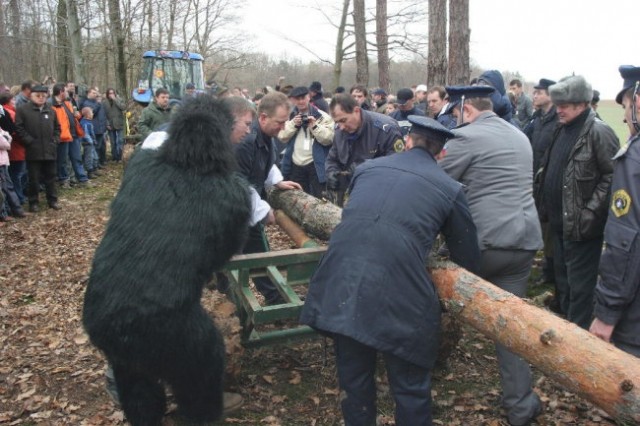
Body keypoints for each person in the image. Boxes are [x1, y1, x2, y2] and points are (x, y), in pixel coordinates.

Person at [300, 115, 480, 426]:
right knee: (409, 387)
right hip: (400, 294)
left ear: (408, 141)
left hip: (341, 281)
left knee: (354, 380)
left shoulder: (367, 169)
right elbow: (468, 256)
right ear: (442, 154)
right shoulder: (449, 188)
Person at [440, 85, 544, 426]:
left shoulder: (465, 138)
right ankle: (520, 405)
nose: (456, 119)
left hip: (483, 244)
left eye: (457, 114)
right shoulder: (519, 136)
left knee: (430, 294)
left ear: (466, 110)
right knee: (510, 327)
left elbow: (435, 182)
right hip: (524, 241)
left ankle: (419, 379)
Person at [537, 75, 619, 330]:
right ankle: (567, 334)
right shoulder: (563, 128)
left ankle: (580, 343)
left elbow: (613, 175)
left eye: (565, 105)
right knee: (565, 286)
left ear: (582, 104)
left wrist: (589, 213)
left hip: (582, 230)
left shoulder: (599, 131)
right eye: (558, 104)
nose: (559, 109)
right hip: (561, 225)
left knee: (581, 291)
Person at [589, 65, 640, 357]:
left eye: (627, 105)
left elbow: (625, 240)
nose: (624, 115)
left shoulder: (634, 158)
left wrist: (607, 313)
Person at [235, 92, 302, 305]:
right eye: (280, 122)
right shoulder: (246, 141)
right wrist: (262, 210)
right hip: (236, 209)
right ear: (263, 118)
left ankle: (274, 298)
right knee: (234, 259)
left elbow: (264, 163)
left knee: (260, 254)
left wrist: (276, 181)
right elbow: (238, 181)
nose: (283, 127)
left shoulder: (266, 137)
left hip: (248, 206)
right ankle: (233, 305)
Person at [325, 93, 404, 206]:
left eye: (343, 120)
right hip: (349, 196)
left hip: (378, 196)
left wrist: (365, 167)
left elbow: (397, 164)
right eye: (337, 122)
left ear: (356, 111)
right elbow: (332, 158)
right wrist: (331, 172)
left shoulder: (386, 129)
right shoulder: (340, 131)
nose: (341, 126)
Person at [527, 78, 559, 294]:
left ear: (549, 95)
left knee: (550, 230)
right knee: (539, 223)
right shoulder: (536, 120)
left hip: (550, 182)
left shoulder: (557, 120)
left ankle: (551, 271)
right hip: (534, 181)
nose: (535, 96)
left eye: (539, 93)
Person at [278, 86, 334, 198]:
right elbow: (281, 136)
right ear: (293, 100)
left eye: (303, 97)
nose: (301, 101)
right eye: (297, 99)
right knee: (298, 198)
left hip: (315, 164)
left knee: (319, 198)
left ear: (309, 97)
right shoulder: (289, 116)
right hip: (295, 164)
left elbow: (329, 139)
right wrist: (294, 124)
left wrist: (315, 126)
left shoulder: (322, 116)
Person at [15, 85, 60, 212]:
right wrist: (29, 141)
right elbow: (19, 128)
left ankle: (53, 200)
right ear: (31, 96)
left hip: (50, 150)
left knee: (51, 177)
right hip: (33, 151)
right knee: (33, 179)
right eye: (38, 96)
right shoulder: (23, 110)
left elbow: (57, 128)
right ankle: (33, 202)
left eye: (43, 96)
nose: (41, 98)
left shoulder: (51, 110)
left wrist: (55, 140)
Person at [50, 83, 90, 188]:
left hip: (73, 134)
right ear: (61, 92)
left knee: (77, 158)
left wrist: (77, 116)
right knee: (63, 160)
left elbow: (71, 117)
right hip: (63, 136)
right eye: (66, 91)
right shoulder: (52, 104)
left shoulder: (66, 103)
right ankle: (64, 181)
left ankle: (82, 179)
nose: (68, 93)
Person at [79, 87, 108, 170]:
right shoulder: (86, 103)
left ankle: (97, 164)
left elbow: (103, 115)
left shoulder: (97, 102)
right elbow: (92, 112)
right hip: (93, 128)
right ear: (89, 93)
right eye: (94, 93)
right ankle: (91, 167)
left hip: (100, 128)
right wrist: (98, 104)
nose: (96, 94)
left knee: (99, 147)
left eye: (96, 93)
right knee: (92, 149)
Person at [104, 88, 126, 163]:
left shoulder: (119, 100)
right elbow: (104, 114)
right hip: (110, 124)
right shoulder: (104, 102)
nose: (111, 95)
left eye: (113, 93)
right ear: (107, 94)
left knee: (120, 140)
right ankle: (114, 157)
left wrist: (115, 100)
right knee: (113, 142)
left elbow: (123, 107)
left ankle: (120, 157)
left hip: (119, 123)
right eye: (110, 93)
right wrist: (107, 124)